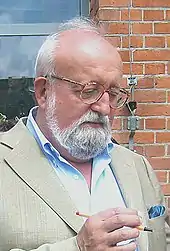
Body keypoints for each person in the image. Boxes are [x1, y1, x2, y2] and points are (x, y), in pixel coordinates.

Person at [0, 17, 169, 251]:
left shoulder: (137, 166)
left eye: (114, 93)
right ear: (43, 92)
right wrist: (78, 248)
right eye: (90, 91)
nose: (104, 106)